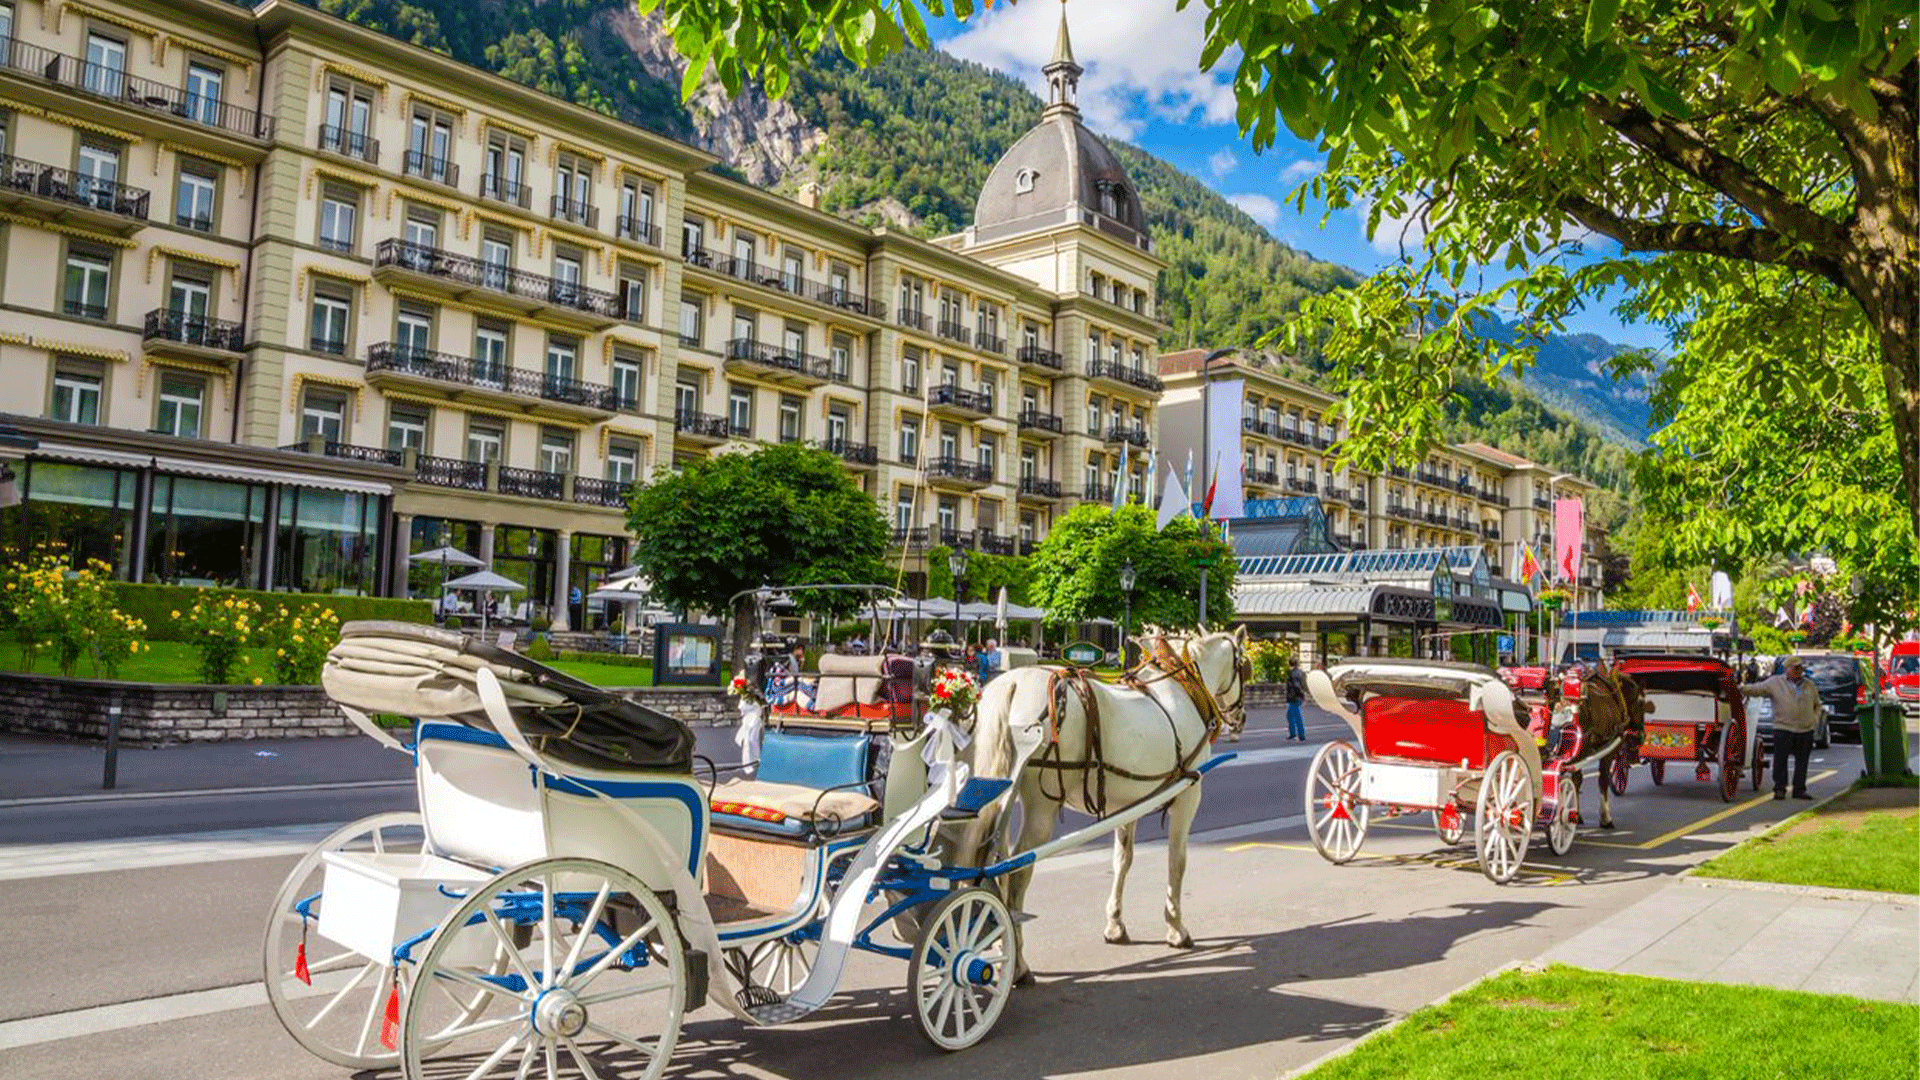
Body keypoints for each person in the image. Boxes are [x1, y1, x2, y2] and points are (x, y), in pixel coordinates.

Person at [1742, 656, 1822, 799]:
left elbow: (1817, 705)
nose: (1799, 671)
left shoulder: (1809, 685)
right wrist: (1741, 688)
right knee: (1780, 760)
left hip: (1805, 728)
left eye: (1800, 668)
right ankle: (1780, 788)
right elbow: (1756, 689)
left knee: (1802, 762)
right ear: (1788, 669)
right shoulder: (1776, 682)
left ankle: (1799, 789)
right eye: (1795, 668)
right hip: (1783, 727)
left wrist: (1814, 720)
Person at [1284, 657, 1308, 742]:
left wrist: (1294, 695)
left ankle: (1299, 735)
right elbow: (1303, 686)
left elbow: (1295, 686)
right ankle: (1295, 734)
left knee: (1295, 716)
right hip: (1297, 696)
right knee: (1294, 716)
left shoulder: (1292, 673)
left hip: (1294, 697)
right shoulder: (1301, 673)